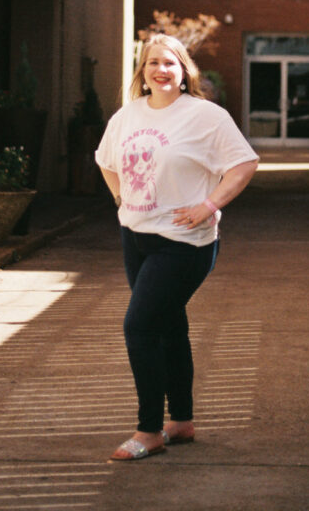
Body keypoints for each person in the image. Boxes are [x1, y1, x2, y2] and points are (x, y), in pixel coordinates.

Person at [95, 33, 259, 462]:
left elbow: (244, 163)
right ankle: (181, 421)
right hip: (136, 236)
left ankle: (149, 430)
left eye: (169, 63)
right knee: (167, 327)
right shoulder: (127, 116)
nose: (160, 70)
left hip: (184, 243)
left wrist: (209, 204)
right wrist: (122, 198)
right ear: (142, 72)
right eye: (152, 63)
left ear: (184, 71)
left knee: (139, 327)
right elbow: (106, 161)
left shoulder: (206, 116)